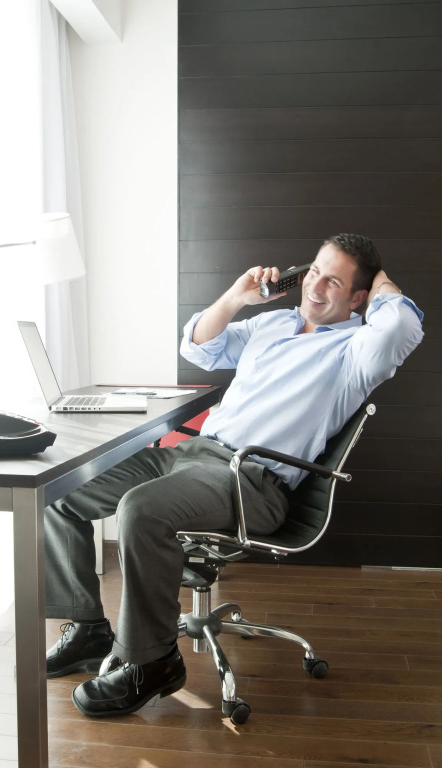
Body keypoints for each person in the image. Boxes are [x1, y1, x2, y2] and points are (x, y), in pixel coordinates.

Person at [45, 233, 423, 718]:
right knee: (60, 489)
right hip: (193, 455)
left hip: (250, 480)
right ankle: (87, 629)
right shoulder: (274, 322)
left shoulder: (357, 352)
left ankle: (152, 662)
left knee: (141, 510)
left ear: (358, 298)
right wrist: (236, 297)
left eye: (333, 281)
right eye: (313, 271)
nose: (314, 286)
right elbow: (200, 347)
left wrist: (384, 283)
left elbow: (401, 327)